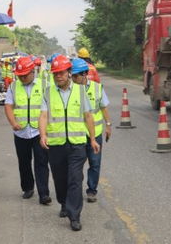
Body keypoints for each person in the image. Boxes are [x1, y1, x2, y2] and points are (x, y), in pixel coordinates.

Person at [39, 55, 100, 231]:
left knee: (75, 178)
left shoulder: (80, 91)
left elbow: (88, 116)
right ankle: (64, 203)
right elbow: (43, 115)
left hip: (77, 144)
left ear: (69, 73)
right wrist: (42, 135)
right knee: (60, 179)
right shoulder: (48, 92)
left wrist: (93, 139)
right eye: (55, 73)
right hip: (56, 144)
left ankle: (74, 216)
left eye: (62, 73)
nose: (58, 76)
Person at [4, 56, 51, 205]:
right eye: (20, 76)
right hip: (21, 132)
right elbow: (8, 106)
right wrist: (13, 122)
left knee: (41, 162)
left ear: (32, 72)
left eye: (25, 75)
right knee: (24, 162)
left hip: (39, 132)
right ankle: (28, 188)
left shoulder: (44, 86)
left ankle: (44, 194)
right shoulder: (13, 86)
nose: (22, 78)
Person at [71, 58, 112, 203]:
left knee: (95, 163)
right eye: (73, 76)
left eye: (77, 76)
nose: (74, 79)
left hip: (96, 133)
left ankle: (92, 190)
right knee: (77, 165)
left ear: (85, 74)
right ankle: (76, 189)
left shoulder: (96, 88)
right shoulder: (70, 90)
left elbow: (103, 107)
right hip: (78, 134)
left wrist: (108, 125)